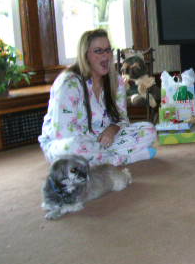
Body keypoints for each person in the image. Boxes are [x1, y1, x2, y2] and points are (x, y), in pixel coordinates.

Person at [39, 29, 157, 166]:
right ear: (85, 55)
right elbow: (63, 133)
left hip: (104, 141)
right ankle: (119, 159)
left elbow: (123, 119)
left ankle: (99, 159)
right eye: (98, 51)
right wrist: (91, 143)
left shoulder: (116, 81)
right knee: (72, 148)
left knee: (149, 130)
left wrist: (112, 129)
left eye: (108, 50)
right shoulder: (69, 83)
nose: (106, 56)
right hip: (68, 144)